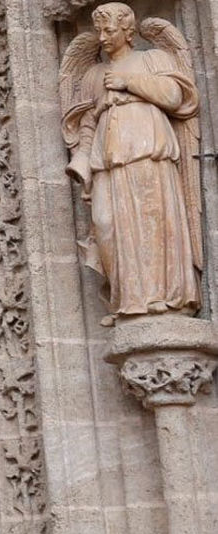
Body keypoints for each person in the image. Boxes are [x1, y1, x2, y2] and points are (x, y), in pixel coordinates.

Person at [60, 2, 201, 325]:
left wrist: (129, 83)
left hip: (149, 151)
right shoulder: (95, 74)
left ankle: (165, 301)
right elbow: (87, 123)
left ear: (127, 30)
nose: (103, 37)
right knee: (107, 223)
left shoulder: (153, 58)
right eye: (99, 31)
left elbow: (174, 97)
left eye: (109, 30)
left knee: (154, 220)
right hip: (108, 159)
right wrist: (82, 160)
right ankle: (127, 301)